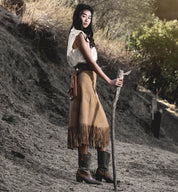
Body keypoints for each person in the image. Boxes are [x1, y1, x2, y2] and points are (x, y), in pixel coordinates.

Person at [67, 4, 123, 185]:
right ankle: (83, 171)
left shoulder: (86, 36)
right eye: (83, 16)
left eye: (89, 17)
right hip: (84, 79)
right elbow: (91, 63)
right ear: (77, 16)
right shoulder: (78, 35)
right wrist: (110, 81)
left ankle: (101, 170)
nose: (86, 19)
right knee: (84, 124)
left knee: (101, 125)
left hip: (90, 81)